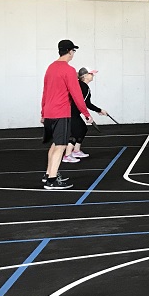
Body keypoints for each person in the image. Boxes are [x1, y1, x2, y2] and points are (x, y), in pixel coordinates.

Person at [41, 40, 93, 189]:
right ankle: (52, 180)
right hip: (61, 112)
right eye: (73, 51)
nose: (73, 54)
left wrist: (43, 112)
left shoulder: (50, 68)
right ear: (70, 51)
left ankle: (48, 174)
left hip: (50, 112)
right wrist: (86, 114)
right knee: (61, 145)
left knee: (55, 145)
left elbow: (45, 92)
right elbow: (76, 94)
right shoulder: (69, 70)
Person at [63, 67, 108, 163]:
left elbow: (84, 103)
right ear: (85, 76)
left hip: (71, 112)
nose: (93, 75)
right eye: (91, 74)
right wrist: (95, 112)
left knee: (83, 128)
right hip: (70, 112)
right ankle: (67, 155)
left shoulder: (79, 85)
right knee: (76, 132)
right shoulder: (84, 87)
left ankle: (76, 151)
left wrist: (98, 110)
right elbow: (85, 103)